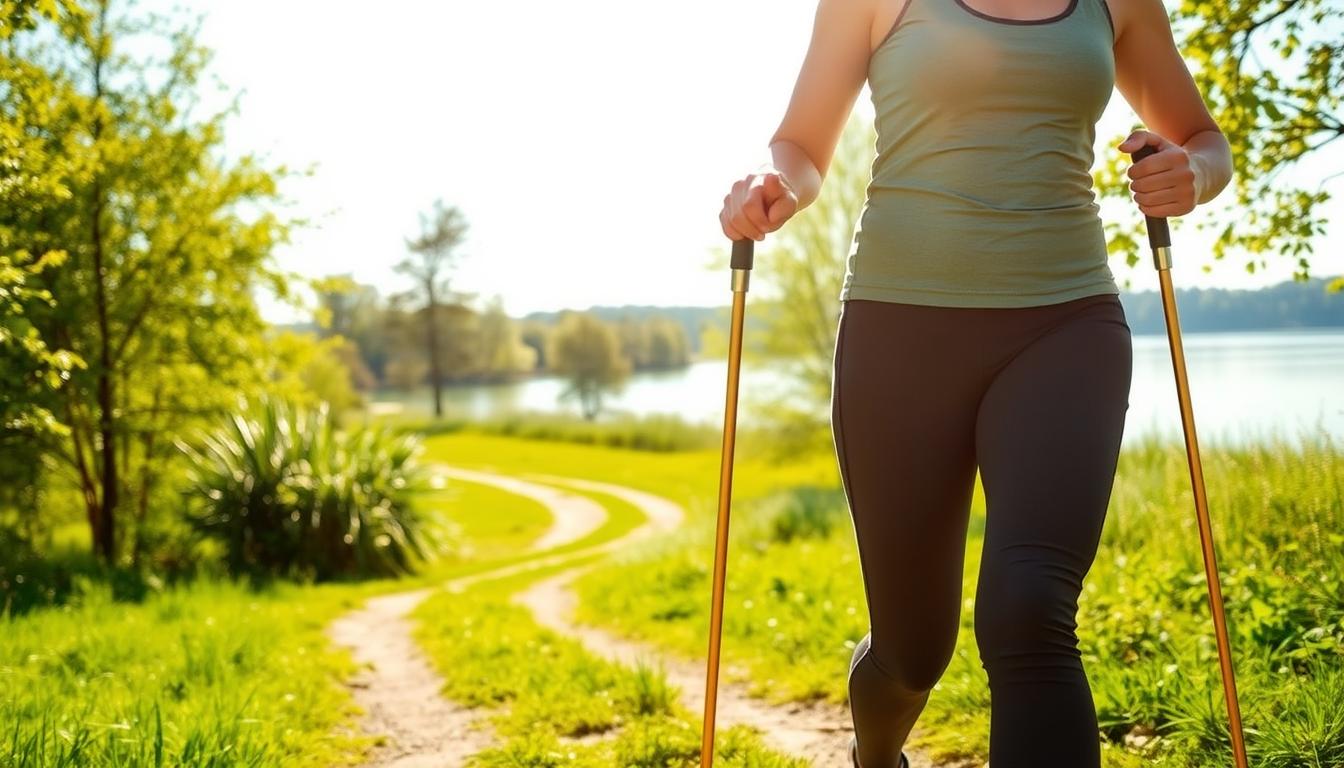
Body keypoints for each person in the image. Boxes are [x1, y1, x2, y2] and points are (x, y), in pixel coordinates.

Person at [717, 0, 1232, 764]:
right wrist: (779, 185)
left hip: (1066, 325)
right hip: (900, 330)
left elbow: (1205, 142)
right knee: (913, 649)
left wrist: (1192, 174)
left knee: (1030, 612)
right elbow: (802, 144)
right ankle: (876, 756)